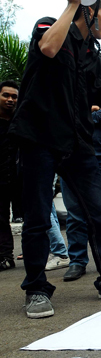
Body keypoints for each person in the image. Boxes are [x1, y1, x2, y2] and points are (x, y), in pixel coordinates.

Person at [8, 0, 101, 318]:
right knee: (38, 217)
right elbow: (48, 50)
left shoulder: (94, 56)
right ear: (89, 10)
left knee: (100, 212)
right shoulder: (50, 26)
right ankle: (37, 291)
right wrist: (71, 4)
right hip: (40, 137)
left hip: (78, 140)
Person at [61, 101, 101, 282]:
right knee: (75, 214)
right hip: (71, 158)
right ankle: (77, 261)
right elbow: (62, 115)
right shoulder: (66, 85)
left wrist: (81, 114)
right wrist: (93, 111)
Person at [0, 80, 19, 271]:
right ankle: (5, 256)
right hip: (1, 179)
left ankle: (39, 255)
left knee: (35, 219)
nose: (10, 99)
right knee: (1, 219)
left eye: (14, 96)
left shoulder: (21, 122)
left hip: (21, 178)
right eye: (6, 95)